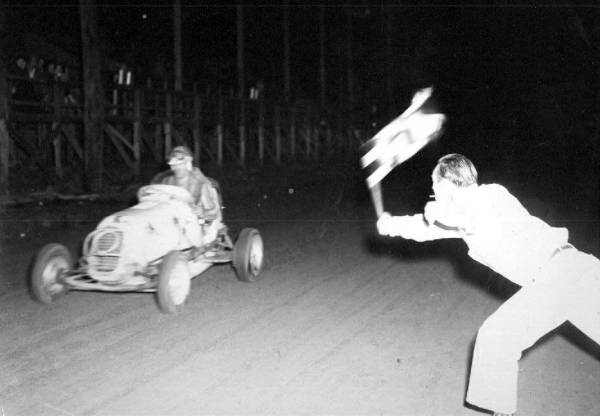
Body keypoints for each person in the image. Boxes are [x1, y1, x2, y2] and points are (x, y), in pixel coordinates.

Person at [376, 153, 600, 416]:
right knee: (497, 338)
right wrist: (390, 225)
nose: (433, 190)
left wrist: (436, 210)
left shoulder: (490, 196)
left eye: (435, 184)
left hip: (563, 273)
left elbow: (463, 216)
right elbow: (426, 228)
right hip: (560, 282)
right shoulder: (461, 216)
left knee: (497, 338)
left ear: (447, 184)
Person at [152, 145, 220, 222]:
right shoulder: (166, 181)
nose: (177, 168)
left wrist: (203, 212)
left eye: (180, 165)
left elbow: (214, 213)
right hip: (170, 221)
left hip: (191, 224)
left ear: (188, 163)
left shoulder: (200, 184)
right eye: (174, 165)